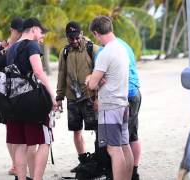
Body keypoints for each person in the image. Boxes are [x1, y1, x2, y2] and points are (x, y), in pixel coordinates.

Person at [6, 17, 56, 180]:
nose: (42, 37)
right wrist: (52, 95)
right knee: (44, 141)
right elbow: (39, 72)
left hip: (12, 101)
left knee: (20, 143)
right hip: (31, 101)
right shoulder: (32, 45)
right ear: (34, 29)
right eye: (41, 32)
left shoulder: (11, 48)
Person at [86, 15, 134, 180]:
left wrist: (90, 79)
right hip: (123, 103)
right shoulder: (122, 48)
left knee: (113, 149)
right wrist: (98, 79)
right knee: (124, 145)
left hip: (110, 106)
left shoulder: (106, 53)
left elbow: (92, 84)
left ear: (96, 33)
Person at [56, 21, 99, 172]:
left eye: (76, 37)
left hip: (90, 97)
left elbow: (101, 73)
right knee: (76, 130)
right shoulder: (65, 52)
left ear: (81, 34)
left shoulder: (92, 48)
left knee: (97, 129)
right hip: (72, 98)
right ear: (67, 37)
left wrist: (98, 98)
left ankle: (99, 160)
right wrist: (59, 97)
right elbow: (61, 74)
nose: (74, 41)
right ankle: (83, 161)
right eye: (70, 38)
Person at [0, 17, 23, 176]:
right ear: (12, 30)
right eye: (19, 31)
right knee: (10, 130)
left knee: (21, 129)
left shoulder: (25, 44)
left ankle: (20, 163)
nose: (21, 34)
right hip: (3, 95)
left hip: (22, 94)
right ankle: (15, 164)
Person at [118, 38, 142, 180]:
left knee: (123, 137)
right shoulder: (124, 44)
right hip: (135, 93)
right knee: (133, 134)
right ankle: (134, 171)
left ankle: (128, 172)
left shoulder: (110, 48)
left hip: (126, 94)